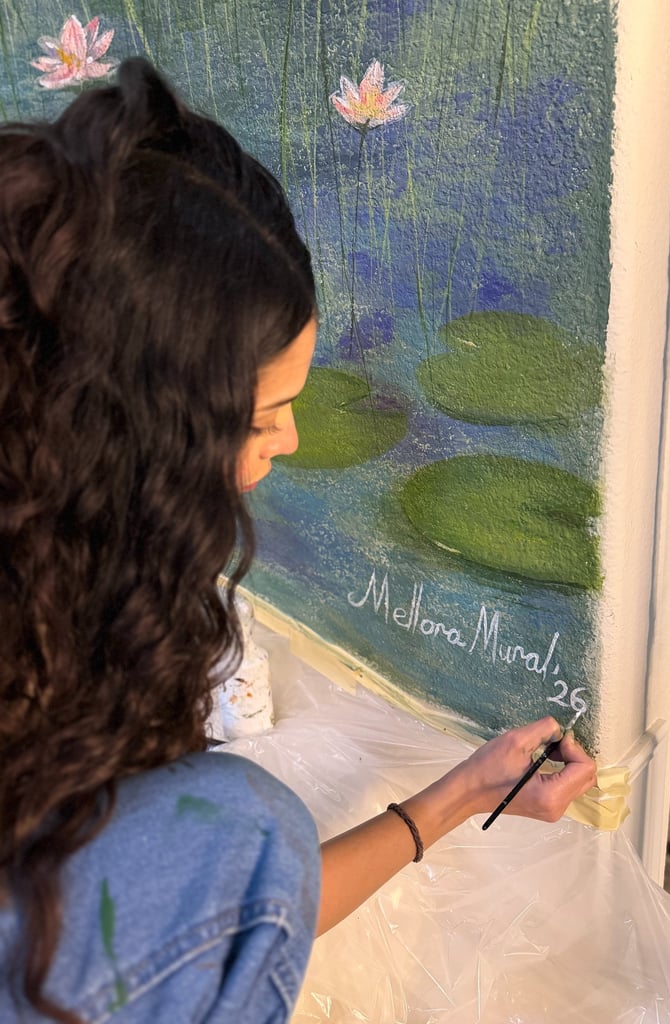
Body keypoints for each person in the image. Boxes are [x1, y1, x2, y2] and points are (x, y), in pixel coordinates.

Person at [0, 58, 597, 1023]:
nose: (289, 441)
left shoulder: (43, 573)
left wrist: (457, 795)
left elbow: (221, 920)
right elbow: (219, 901)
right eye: (263, 414)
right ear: (136, 434)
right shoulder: (224, 825)